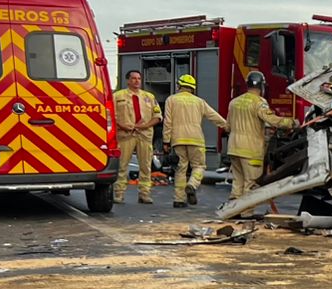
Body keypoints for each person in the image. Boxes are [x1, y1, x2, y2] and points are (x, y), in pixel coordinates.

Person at [225, 72, 298, 204]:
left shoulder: (233, 102)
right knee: (251, 184)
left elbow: (227, 127)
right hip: (251, 150)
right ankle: (246, 213)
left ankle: (233, 209)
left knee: (237, 182)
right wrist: (291, 123)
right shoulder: (259, 103)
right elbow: (271, 120)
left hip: (233, 148)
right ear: (262, 86)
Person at [161, 74, 227, 208]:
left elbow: (167, 122)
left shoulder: (171, 100)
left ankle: (179, 200)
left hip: (178, 139)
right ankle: (192, 184)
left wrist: (166, 141)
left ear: (179, 85)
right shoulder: (199, 102)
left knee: (181, 168)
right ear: (193, 88)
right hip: (196, 139)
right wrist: (227, 126)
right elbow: (214, 116)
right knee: (199, 166)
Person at [112, 69, 160, 204]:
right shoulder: (118, 96)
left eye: (139, 78)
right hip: (126, 135)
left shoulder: (149, 97)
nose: (136, 81)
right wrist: (122, 126)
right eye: (133, 78)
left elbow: (157, 116)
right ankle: (119, 193)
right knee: (122, 165)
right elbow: (110, 115)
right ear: (128, 80)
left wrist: (144, 126)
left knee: (145, 166)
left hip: (144, 135)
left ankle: (144, 194)